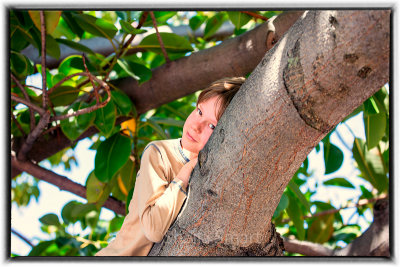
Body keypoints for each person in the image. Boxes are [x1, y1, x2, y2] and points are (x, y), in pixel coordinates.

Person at [95, 77, 246, 256]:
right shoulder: (159, 153)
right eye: (199, 112)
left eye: (212, 126)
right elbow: (153, 229)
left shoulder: (220, 175)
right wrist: (184, 174)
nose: (197, 126)